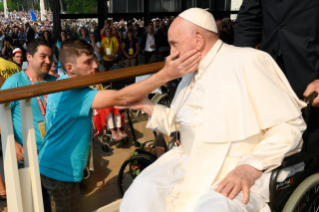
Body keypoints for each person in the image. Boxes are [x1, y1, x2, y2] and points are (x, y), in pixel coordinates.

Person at [120, 8, 306, 212]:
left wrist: (250, 167)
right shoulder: (188, 74)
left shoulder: (249, 60)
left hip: (240, 165)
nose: (172, 54)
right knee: (144, 190)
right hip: (189, 161)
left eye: (174, 44)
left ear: (198, 39)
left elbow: (289, 127)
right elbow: (182, 125)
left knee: (215, 207)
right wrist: (145, 104)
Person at [38, 38, 200, 211]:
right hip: (61, 169)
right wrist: (166, 74)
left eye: (94, 59)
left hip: (51, 162)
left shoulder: (60, 82)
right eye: (88, 62)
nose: (95, 65)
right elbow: (119, 97)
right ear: (70, 68)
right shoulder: (77, 94)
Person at [234, 0, 319, 172]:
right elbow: (249, 19)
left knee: (312, 147)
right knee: (271, 140)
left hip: (311, 69)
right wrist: (239, 63)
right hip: (268, 70)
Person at [0, 39, 56, 211]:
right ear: (29, 57)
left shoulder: (55, 81)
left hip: (54, 150)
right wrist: (13, 142)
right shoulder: (14, 82)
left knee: (54, 195)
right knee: (34, 200)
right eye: (43, 56)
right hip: (28, 153)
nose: (48, 61)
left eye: (50, 57)